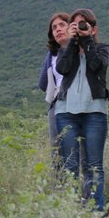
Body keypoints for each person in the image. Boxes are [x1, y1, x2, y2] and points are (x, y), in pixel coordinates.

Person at [54, 8, 109, 211]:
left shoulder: (102, 49)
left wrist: (87, 42)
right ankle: (70, 212)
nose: (80, 27)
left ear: (94, 28)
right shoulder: (65, 51)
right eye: (76, 24)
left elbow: (97, 65)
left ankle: (95, 212)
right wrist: (71, 42)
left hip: (94, 112)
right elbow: (62, 68)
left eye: (84, 24)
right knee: (69, 165)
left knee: (93, 166)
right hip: (66, 112)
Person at [38, 12, 70, 176]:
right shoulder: (51, 55)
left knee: (74, 148)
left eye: (62, 25)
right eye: (54, 27)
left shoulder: (77, 49)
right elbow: (43, 83)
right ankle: (59, 190)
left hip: (76, 104)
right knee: (56, 150)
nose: (58, 29)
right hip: (56, 105)